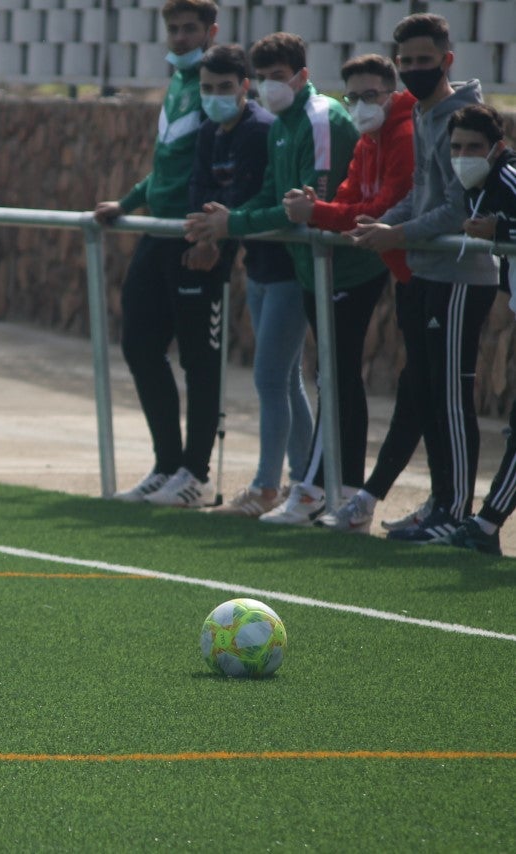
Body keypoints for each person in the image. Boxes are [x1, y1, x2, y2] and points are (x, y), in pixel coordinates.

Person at [185, 32, 387, 526]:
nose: (272, 88)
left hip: (340, 267)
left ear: (301, 75)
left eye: (281, 77)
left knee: (306, 378)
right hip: (304, 268)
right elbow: (274, 196)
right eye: (267, 79)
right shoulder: (281, 122)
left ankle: (290, 487)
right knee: (312, 379)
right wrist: (230, 217)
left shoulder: (319, 119)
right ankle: (315, 483)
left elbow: (304, 211)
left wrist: (232, 223)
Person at [348, 13, 499, 543]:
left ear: (447, 60)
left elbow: (457, 209)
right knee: (431, 393)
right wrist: (387, 222)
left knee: (452, 398)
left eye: (423, 61)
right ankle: (439, 503)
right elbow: (422, 194)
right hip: (427, 271)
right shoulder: (425, 115)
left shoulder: (464, 117)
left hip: (461, 276)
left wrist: (400, 234)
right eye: (405, 62)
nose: (413, 70)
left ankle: (456, 509)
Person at [93, 0, 227, 507]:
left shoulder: (217, 91)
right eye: (173, 28)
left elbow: (221, 166)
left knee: (199, 360)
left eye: (191, 28)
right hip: (159, 232)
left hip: (195, 236)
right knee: (139, 346)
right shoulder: (176, 84)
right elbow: (167, 166)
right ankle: (167, 464)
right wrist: (126, 202)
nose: (181, 37)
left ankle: (196, 473)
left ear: (210, 31)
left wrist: (212, 235)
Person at [277, 54, 417, 534]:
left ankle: (323, 487)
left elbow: (381, 207)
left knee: (343, 378)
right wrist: (319, 207)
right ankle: (348, 490)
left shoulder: (403, 134)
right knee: (340, 376)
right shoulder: (368, 140)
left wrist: (315, 213)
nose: (361, 105)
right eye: (352, 96)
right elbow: (349, 198)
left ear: (392, 91)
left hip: (424, 275)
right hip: (403, 274)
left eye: (371, 95)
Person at [188, 44, 307, 518]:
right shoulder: (210, 131)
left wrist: (221, 232)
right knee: (287, 379)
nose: (215, 97)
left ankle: (266, 488)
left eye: (225, 87)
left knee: (270, 378)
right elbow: (204, 190)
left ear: (245, 87)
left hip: (285, 267)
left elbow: (248, 198)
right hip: (256, 265)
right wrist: (206, 233)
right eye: (207, 88)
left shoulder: (261, 129)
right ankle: (306, 483)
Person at [442, 104, 516, 556]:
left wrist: (503, 227)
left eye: (474, 147)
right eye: (456, 147)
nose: (463, 155)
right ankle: (485, 525)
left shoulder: (507, 179)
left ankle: (486, 525)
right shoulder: (476, 184)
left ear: (497, 148)